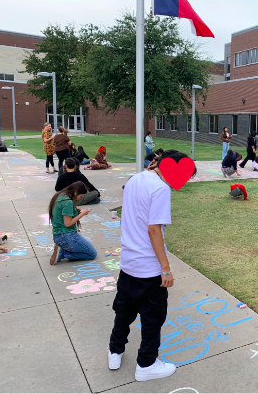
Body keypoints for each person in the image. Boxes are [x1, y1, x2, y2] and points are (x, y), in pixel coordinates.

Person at [108, 150, 197, 382]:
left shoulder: (136, 178)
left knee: (123, 312)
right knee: (152, 318)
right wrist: (165, 268)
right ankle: (146, 364)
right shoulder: (160, 189)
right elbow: (154, 229)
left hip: (128, 262)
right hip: (148, 268)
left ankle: (114, 351)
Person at [48, 181, 97, 265]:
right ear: (76, 192)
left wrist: (74, 211)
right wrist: (82, 214)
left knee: (89, 251)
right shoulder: (68, 202)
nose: (80, 198)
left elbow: (61, 213)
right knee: (91, 254)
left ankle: (62, 249)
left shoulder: (60, 195)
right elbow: (67, 223)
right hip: (67, 236)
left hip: (59, 235)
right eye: (80, 196)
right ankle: (62, 253)